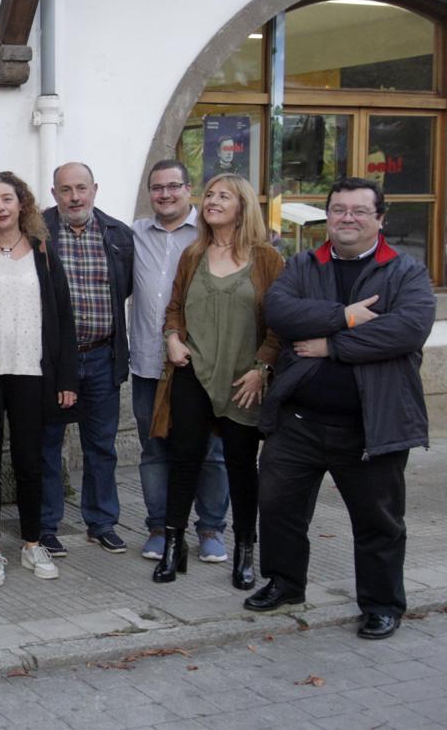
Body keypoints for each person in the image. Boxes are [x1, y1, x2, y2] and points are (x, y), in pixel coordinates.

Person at [247, 178, 435, 641]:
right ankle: (285, 584)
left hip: (371, 426)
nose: (347, 218)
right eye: (338, 210)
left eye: (359, 211)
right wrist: (346, 317)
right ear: (327, 216)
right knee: (279, 508)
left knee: (378, 522)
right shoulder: (304, 264)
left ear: (380, 219)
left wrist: (331, 345)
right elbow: (280, 313)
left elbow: (407, 329)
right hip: (298, 421)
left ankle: (381, 604)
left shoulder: (405, 272)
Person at [148, 174, 283, 586]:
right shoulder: (193, 255)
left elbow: (281, 324)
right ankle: (174, 546)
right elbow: (174, 308)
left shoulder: (267, 259)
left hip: (244, 380)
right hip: (193, 372)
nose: (212, 201)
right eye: (209, 194)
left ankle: (244, 551)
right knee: (184, 459)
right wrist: (173, 338)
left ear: (243, 207)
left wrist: (262, 368)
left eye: (224, 196)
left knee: (240, 466)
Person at [0, 172, 77, 585]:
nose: (0, 207)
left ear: (21, 204)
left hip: (33, 373)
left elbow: (64, 319)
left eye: (7, 199)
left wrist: (67, 379)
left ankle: (32, 544)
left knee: (31, 463)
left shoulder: (43, 253)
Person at [130, 161, 231, 563]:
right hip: (148, 363)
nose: (165, 194)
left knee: (212, 451)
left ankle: (211, 529)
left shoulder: (209, 234)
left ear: (189, 189)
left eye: (174, 186)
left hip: (200, 365)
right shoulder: (135, 234)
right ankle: (159, 528)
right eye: (157, 188)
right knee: (154, 450)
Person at [39, 163, 134, 556]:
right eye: (65, 190)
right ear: (54, 193)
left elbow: (125, 289)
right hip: (51, 362)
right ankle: (45, 525)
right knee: (46, 445)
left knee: (101, 446)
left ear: (94, 189)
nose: (74, 197)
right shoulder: (37, 232)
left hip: (100, 357)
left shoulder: (118, 235)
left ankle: (102, 522)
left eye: (81, 188)